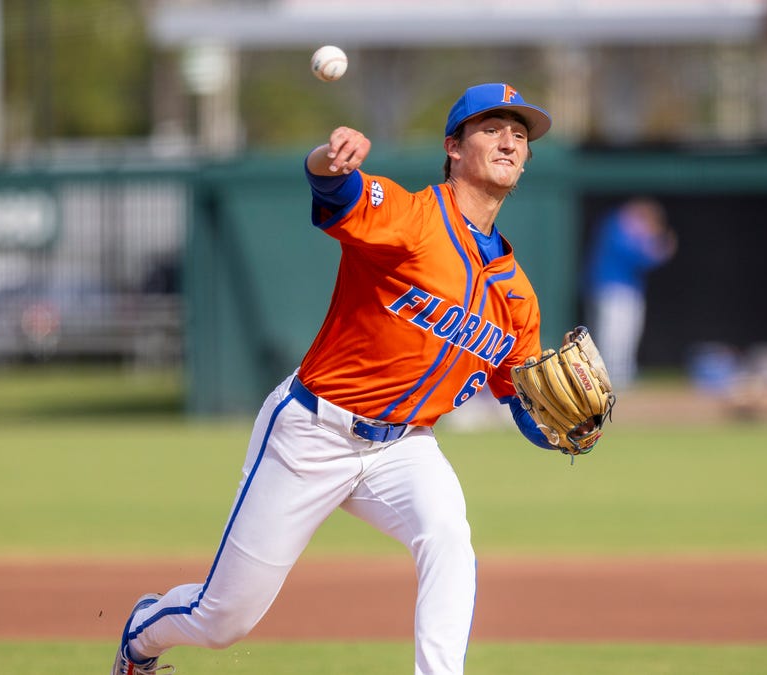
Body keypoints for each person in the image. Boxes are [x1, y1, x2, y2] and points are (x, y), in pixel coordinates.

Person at [112, 83, 564, 675]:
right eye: (492, 128)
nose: (509, 140)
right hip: (311, 431)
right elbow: (335, 189)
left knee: (449, 536)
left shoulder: (518, 296)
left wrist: (560, 427)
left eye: (521, 134)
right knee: (223, 620)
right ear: (453, 147)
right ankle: (140, 639)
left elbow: (518, 397)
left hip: (403, 447)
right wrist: (327, 159)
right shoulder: (410, 218)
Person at [584, 198, 677, 389]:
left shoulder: (626, 227)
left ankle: (620, 376)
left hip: (626, 288)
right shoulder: (617, 225)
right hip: (612, 288)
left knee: (626, 333)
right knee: (613, 334)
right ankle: (609, 377)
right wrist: (660, 250)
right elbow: (639, 257)